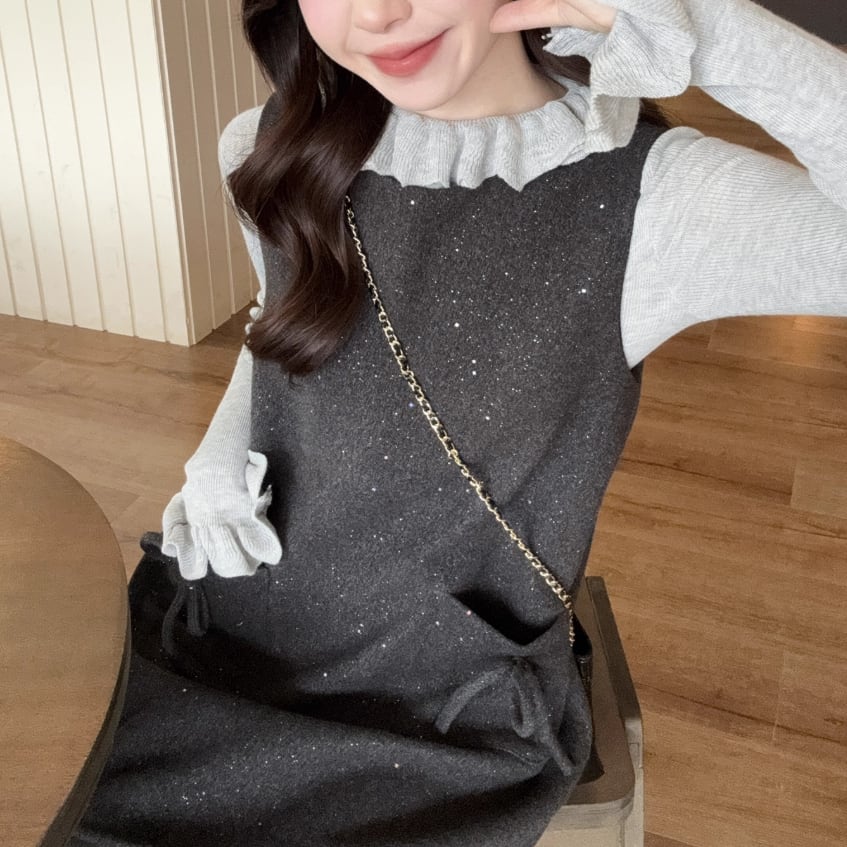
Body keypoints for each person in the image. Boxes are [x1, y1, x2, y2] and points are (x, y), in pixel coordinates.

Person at [72, 1, 846, 845]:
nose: (377, 13)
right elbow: (277, 316)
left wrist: (705, 25)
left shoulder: (657, 199)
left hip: (435, 708)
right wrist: (218, 460)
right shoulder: (276, 143)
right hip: (232, 631)